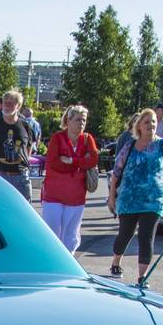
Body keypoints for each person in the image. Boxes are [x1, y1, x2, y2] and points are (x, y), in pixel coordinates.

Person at [106, 108, 163, 279]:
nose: (151, 125)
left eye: (153, 121)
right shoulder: (129, 146)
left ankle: (142, 276)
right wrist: (111, 196)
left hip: (153, 199)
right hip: (129, 198)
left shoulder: (161, 145)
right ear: (139, 127)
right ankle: (116, 262)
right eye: (147, 122)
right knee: (126, 233)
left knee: (146, 236)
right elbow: (117, 171)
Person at [40, 104, 98, 251]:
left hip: (76, 196)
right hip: (53, 194)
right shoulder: (57, 138)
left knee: (71, 234)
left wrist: (72, 161)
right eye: (78, 120)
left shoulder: (87, 139)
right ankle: (51, 262)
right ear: (68, 120)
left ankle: (69, 261)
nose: (81, 123)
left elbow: (94, 159)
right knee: (52, 232)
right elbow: (53, 163)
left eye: (84, 120)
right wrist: (79, 165)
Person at [0, 89, 36, 200]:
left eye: (11, 102)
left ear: (18, 106)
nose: (7, 105)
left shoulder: (26, 127)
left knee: (23, 213)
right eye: (5, 102)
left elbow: (28, 150)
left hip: (21, 177)